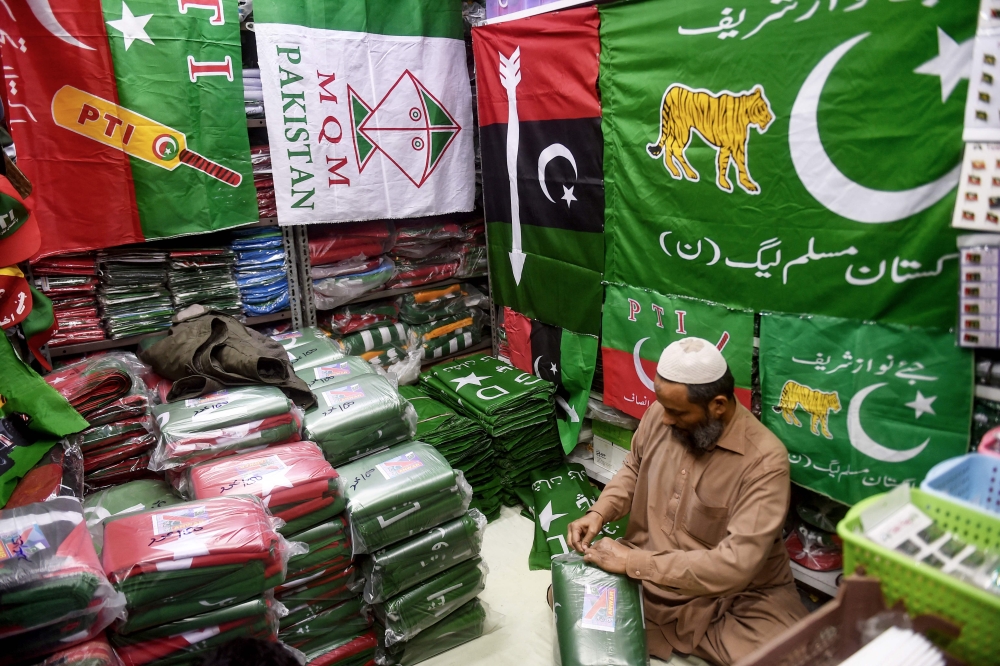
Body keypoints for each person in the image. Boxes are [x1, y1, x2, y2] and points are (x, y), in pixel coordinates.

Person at [566, 337, 807, 665]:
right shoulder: (662, 415)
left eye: (677, 412)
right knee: (565, 597)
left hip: (733, 596)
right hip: (651, 572)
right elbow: (634, 468)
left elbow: (735, 565)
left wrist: (633, 564)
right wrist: (599, 512)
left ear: (717, 405)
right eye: (663, 407)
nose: (665, 420)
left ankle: (664, 629)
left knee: (792, 657)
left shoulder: (765, 461)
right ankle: (667, 629)